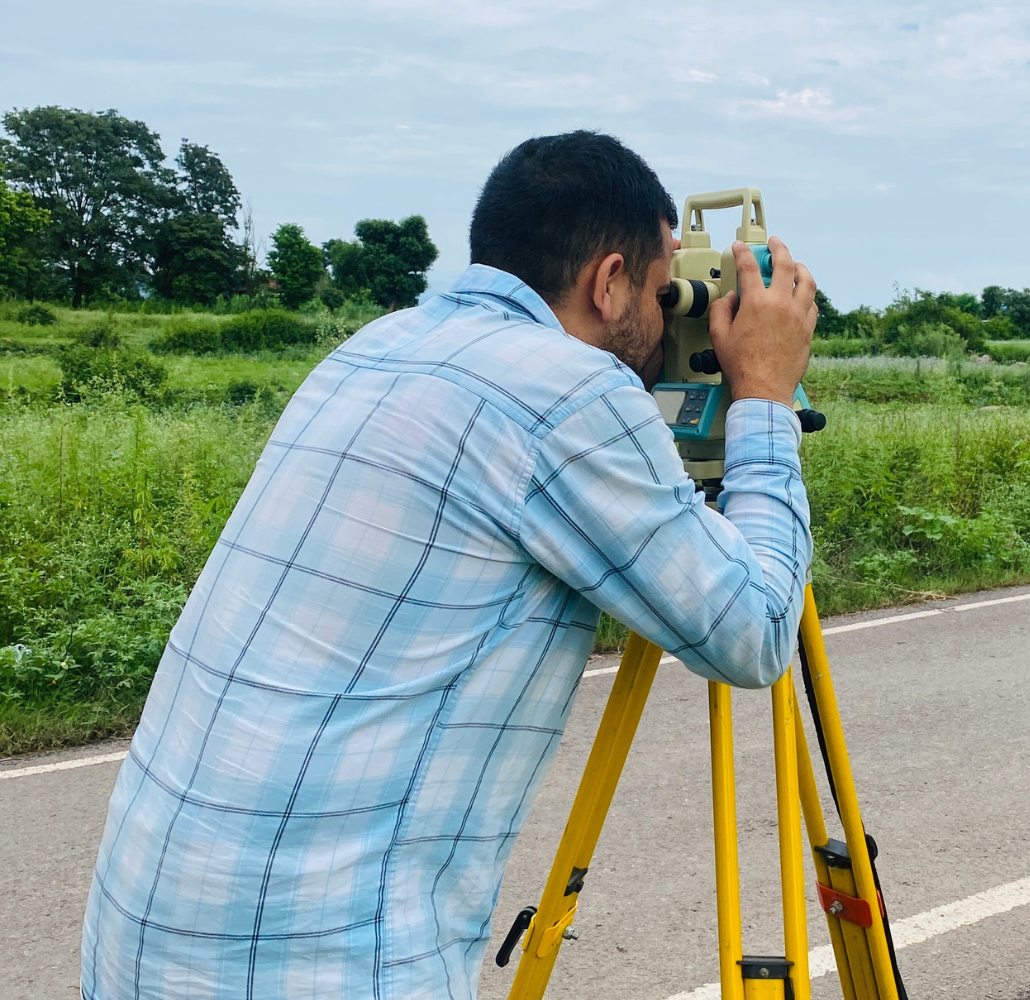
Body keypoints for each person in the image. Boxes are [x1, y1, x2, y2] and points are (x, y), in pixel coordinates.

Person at [81, 131, 818, 1000]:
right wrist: (764, 398)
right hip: (322, 965)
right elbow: (756, 632)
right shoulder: (568, 390)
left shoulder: (374, 346)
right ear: (610, 281)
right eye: (666, 295)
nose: (671, 322)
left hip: (140, 941)